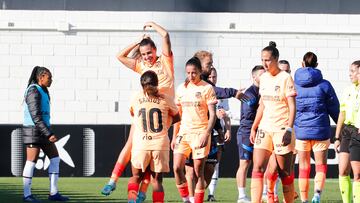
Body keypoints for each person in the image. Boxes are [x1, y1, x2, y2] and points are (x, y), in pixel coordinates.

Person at [102, 21, 174, 202]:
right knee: (133, 144)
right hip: (146, 109)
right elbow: (120, 56)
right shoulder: (141, 65)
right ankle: (114, 180)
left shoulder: (165, 60)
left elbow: (165, 35)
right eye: (143, 54)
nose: (147, 56)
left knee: (151, 155)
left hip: (164, 111)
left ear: (155, 50)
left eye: (149, 52)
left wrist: (152, 25)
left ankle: (139, 190)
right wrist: (138, 41)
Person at [249, 41, 297, 203]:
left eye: (268, 60)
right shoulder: (263, 77)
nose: (265, 63)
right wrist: (254, 127)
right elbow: (262, 104)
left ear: (276, 59)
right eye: (263, 59)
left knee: (284, 172)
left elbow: (292, 106)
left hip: (281, 129)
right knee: (257, 167)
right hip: (265, 128)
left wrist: (289, 130)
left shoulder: (286, 78)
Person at [127, 71, 180, 203]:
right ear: (157, 83)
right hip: (160, 144)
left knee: (135, 177)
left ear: (142, 85)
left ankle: (132, 201)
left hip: (141, 143)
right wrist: (165, 125)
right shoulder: (166, 98)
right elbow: (178, 117)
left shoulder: (136, 98)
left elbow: (134, 114)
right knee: (157, 181)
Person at [294, 52, 340, 203]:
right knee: (320, 166)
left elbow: (289, 107)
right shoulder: (325, 84)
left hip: (301, 130)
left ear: (302, 64)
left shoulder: (294, 84)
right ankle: (317, 195)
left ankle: (304, 200)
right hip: (320, 130)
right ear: (317, 65)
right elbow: (335, 108)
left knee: (303, 167)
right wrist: (342, 126)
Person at [172, 57, 217, 203]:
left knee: (198, 171)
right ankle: (186, 199)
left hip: (200, 133)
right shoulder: (181, 88)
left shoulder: (207, 88)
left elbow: (213, 115)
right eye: (188, 73)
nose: (191, 76)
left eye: (194, 73)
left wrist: (206, 134)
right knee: (177, 168)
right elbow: (177, 116)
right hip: (184, 133)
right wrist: (174, 137)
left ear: (199, 72)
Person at [22, 66, 69, 202]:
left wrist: (47, 132)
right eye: (49, 77)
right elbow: (35, 116)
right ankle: (27, 195)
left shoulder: (43, 90)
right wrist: (48, 134)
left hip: (42, 131)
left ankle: (53, 193)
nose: (51, 80)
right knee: (31, 161)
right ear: (41, 77)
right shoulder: (33, 90)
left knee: (55, 159)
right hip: (33, 131)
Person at [236, 65, 265, 203]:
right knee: (245, 163)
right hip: (246, 132)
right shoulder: (249, 93)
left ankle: (263, 192)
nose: (264, 76)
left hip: (261, 132)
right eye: (261, 74)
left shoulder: (264, 91)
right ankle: (241, 196)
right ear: (254, 77)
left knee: (261, 164)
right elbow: (248, 115)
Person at [334, 60, 360, 203]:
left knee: (357, 174)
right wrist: (337, 137)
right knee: (343, 170)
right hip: (347, 132)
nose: (350, 74)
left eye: (352, 71)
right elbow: (342, 114)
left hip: (358, 132)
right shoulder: (348, 90)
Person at [206, 67, 232, 201]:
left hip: (218, 132)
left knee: (215, 163)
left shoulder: (222, 94)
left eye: (214, 77)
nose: (212, 79)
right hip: (204, 132)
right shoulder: (202, 90)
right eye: (209, 77)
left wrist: (228, 129)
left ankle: (211, 194)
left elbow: (226, 115)